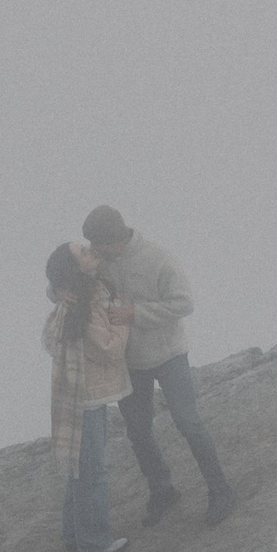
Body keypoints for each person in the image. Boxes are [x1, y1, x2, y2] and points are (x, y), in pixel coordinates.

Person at [81, 206, 235, 525]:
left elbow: (183, 304)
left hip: (169, 356)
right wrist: (57, 291)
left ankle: (221, 490)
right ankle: (162, 491)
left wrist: (135, 313)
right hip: (130, 361)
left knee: (187, 421)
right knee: (137, 431)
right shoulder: (100, 261)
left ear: (114, 239)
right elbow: (65, 276)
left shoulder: (158, 257)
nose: (94, 252)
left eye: (98, 245)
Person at [43, 240, 134, 552]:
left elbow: (56, 283)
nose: (90, 251)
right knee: (93, 471)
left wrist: (56, 288)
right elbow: (109, 348)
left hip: (75, 393)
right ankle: (94, 542)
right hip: (89, 395)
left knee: (79, 469)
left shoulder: (75, 293)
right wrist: (122, 321)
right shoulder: (85, 298)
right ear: (75, 267)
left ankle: (73, 533)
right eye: (82, 252)